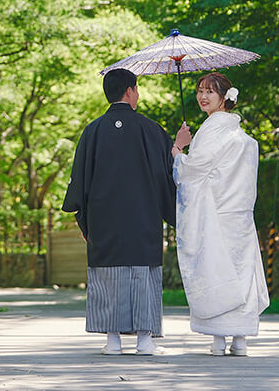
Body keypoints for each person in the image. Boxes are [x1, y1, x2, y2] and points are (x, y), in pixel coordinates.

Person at [62, 67, 177, 356]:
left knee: (108, 277)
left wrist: (84, 223)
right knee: (142, 275)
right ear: (130, 91)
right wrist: (179, 145)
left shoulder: (93, 131)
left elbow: (80, 181)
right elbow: (169, 176)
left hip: (104, 221)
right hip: (144, 220)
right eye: (136, 89)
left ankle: (112, 340)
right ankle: (144, 340)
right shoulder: (152, 130)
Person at [171, 72, 269, 356]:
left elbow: (191, 172)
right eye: (200, 90)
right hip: (240, 217)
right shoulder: (243, 138)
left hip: (215, 215)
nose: (202, 96)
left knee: (215, 268)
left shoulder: (212, 132)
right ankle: (240, 338)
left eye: (210, 92)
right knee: (241, 271)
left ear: (224, 97)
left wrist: (179, 148)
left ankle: (218, 338)